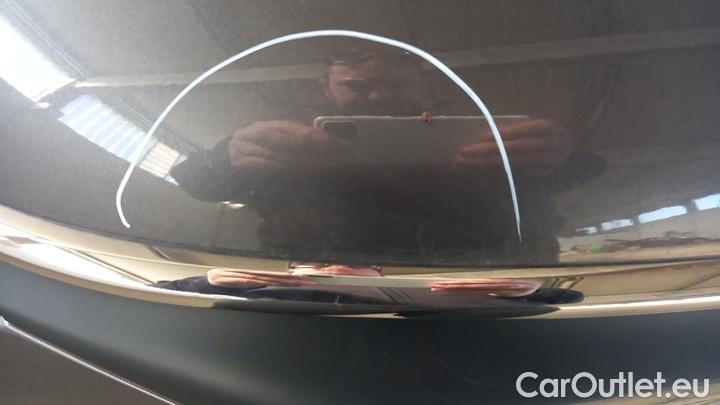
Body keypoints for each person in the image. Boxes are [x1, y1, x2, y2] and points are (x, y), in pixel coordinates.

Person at [162, 46, 603, 297]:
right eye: (357, 86)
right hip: (307, 291)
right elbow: (194, 182)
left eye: (395, 83)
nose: (377, 97)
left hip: (484, 288)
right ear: (325, 88)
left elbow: (585, 180)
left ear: (423, 85)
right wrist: (228, 153)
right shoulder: (289, 141)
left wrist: (562, 152)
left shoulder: (485, 136)